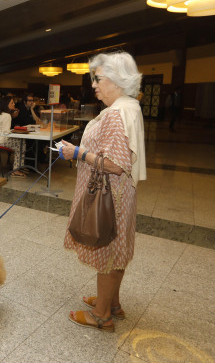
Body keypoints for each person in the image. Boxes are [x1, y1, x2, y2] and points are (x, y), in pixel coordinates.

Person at [58, 51, 146, 332]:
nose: (94, 85)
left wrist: (78, 153)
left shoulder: (116, 114)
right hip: (122, 194)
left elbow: (116, 165)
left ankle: (101, 315)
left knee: (106, 249)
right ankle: (112, 303)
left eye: (98, 79)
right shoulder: (130, 106)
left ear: (117, 80)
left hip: (109, 196)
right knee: (117, 248)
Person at [0, 96, 27, 178]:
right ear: (6, 105)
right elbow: (6, 132)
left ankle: (18, 168)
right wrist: (15, 131)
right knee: (21, 143)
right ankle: (16, 170)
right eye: (12, 103)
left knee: (19, 142)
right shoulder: (7, 115)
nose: (14, 104)